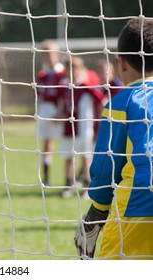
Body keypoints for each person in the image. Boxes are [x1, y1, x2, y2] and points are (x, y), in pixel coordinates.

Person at [74, 18, 153, 259]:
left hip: (140, 204)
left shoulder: (123, 102)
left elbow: (107, 165)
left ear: (121, 64)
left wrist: (95, 213)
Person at [58, 56, 107, 199]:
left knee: (86, 157)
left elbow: (102, 101)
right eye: (68, 69)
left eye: (74, 69)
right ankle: (69, 184)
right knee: (68, 156)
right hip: (68, 128)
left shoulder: (86, 87)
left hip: (84, 128)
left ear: (80, 70)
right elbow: (62, 104)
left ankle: (87, 185)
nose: (71, 72)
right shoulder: (63, 86)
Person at [36, 40, 65, 185]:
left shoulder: (64, 73)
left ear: (57, 54)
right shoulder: (42, 75)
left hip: (62, 111)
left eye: (50, 53)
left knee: (70, 142)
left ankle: (74, 177)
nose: (48, 57)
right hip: (45, 111)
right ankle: (46, 178)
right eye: (45, 54)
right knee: (46, 144)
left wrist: (61, 112)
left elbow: (66, 95)